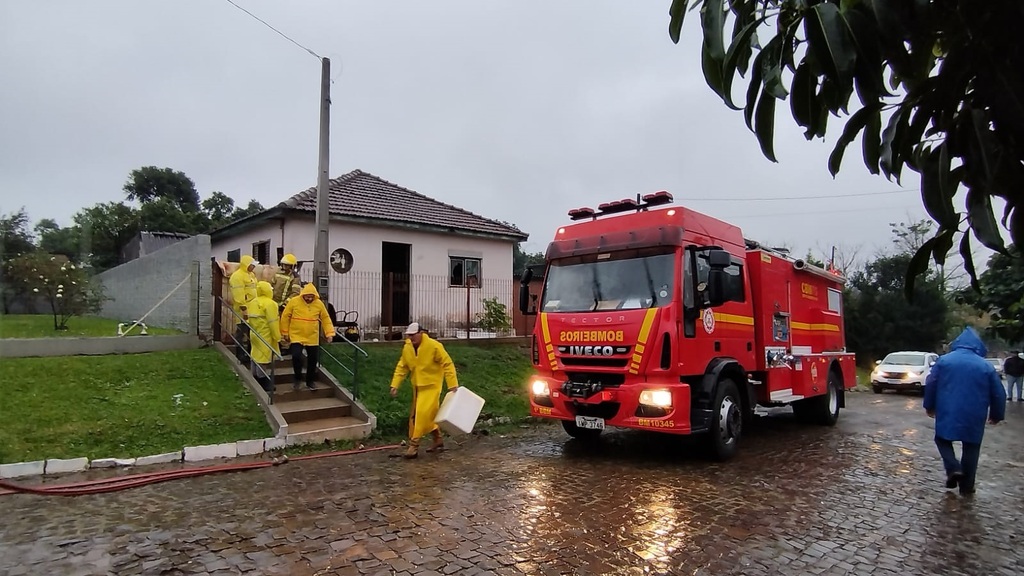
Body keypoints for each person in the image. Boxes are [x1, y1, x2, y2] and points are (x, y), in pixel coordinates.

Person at [923, 327, 1006, 496]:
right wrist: (997, 414)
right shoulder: (986, 366)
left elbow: (931, 383)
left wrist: (929, 405)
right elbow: (998, 393)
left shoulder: (944, 361)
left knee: (942, 439)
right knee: (972, 446)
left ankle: (953, 467)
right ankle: (967, 486)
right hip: (975, 413)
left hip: (947, 409)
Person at [389, 322, 460, 459]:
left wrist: (452, 384)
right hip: (417, 386)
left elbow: (447, 363)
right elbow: (402, 367)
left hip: (432, 386)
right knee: (424, 415)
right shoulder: (407, 348)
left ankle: (414, 445)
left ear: (421, 333)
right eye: (409, 335)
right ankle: (438, 439)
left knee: (421, 414)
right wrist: (395, 385)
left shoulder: (434, 346)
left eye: (413, 335)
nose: (411, 338)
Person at [280, 283, 335, 391]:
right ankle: (297, 379)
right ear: (303, 295)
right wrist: (285, 333)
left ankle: (310, 381)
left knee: (313, 359)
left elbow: (325, 318)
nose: (309, 298)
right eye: (307, 296)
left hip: (312, 336)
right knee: (296, 356)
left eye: (311, 296)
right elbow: (285, 317)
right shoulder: (294, 301)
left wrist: (329, 333)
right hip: (296, 335)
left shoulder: (319, 304)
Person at [247, 281, 282, 393]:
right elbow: (273, 322)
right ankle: (264, 381)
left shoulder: (253, 302)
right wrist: (277, 337)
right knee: (263, 358)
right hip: (265, 335)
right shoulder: (270, 304)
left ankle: (254, 376)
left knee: (255, 355)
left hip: (254, 333)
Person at [228, 255, 258, 363]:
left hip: (253, 309)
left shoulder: (251, 275)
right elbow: (238, 294)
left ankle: (251, 354)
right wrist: (244, 309)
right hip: (242, 310)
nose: (253, 267)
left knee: (251, 333)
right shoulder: (237, 276)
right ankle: (240, 355)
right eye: (252, 265)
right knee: (241, 332)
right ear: (246, 265)